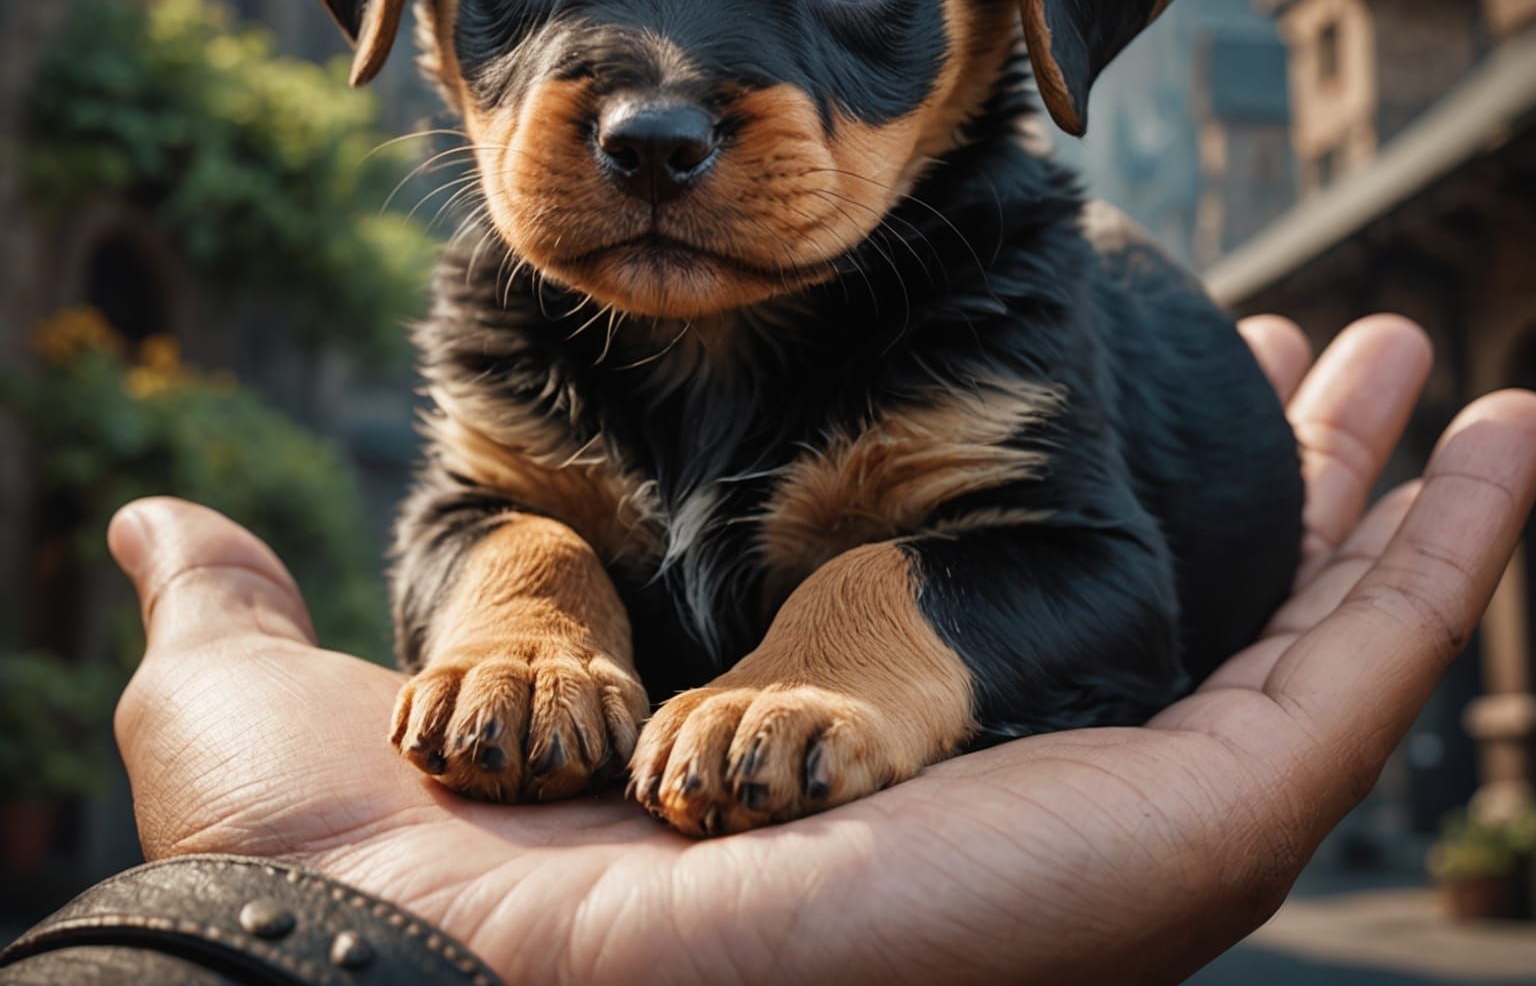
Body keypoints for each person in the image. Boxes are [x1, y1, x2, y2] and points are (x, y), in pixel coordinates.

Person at [3, 316, 1535, 985]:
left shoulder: (998, 315)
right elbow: (467, 522)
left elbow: (1087, 575)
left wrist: (852, 650)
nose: (658, 92)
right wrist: (528, 591)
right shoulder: (507, 325)